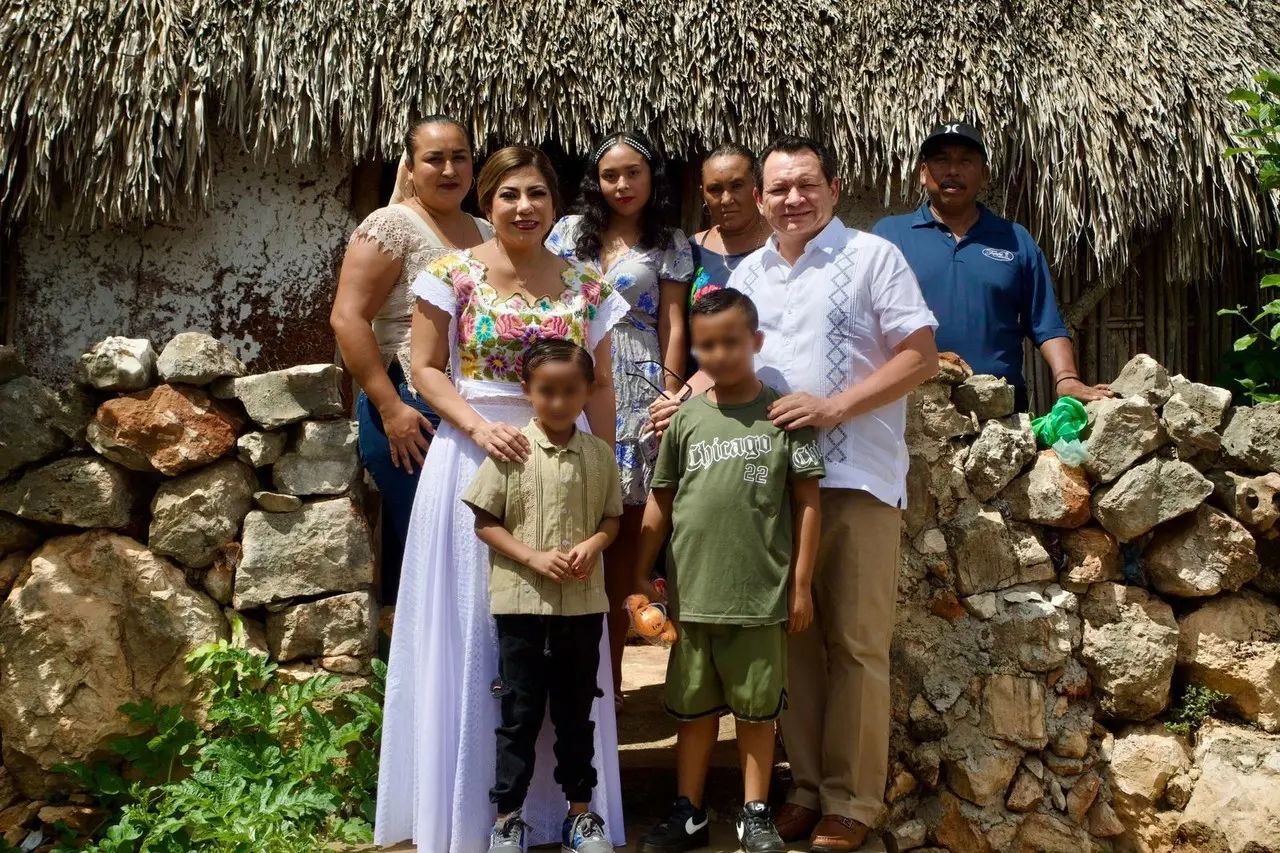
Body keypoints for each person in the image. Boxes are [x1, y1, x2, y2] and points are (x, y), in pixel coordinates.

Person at [650, 135, 939, 853]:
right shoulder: (748, 275)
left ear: (834, 188)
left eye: (805, 184)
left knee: (859, 646)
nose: (791, 199)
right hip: (774, 486)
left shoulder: (873, 257)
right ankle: (806, 788)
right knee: (796, 646)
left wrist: (836, 406)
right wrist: (681, 398)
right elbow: (728, 361)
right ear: (759, 198)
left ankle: (852, 798)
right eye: (777, 189)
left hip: (859, 478)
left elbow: (920, 354)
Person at [375, 145, 630, 851]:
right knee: (480, 637)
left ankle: (568, 810)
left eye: (537, 195)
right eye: (509, 194)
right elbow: (423, 368)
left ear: (556, 204)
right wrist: (480, 426)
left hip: (567, 466)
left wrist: (601, 473)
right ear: (486, 202)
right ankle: (478, 813)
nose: (524, 207)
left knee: (567, 635)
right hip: (471, 458)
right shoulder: (448, 275)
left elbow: (602, 387)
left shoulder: (588, 286)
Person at [633, 289, 823, 853]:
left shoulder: (784, 416)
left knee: (757, 712)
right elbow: (661, 499)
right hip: (691, 599)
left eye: (730, 342)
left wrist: (801, 585)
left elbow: (808, 503)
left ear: (756, 342)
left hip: (760, 598)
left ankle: (755, 813)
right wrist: (641, 573)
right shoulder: (686, 419)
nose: (717, 354)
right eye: (705, 344)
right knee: (692, 712)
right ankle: (687, 813)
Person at [546, 130, 694, 708]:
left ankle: (606, 699)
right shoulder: (565, 234)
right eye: (611, 175)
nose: (623, 185)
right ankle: (570, 690)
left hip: (638, 386)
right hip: (572, 378)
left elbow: (674, 324)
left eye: (634, 172)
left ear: (651, 178)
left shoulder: (669, 243)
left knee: (625, 545)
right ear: (595, 181)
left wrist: (672, 393)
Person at [462, 339, 623, 853]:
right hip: (521, 606)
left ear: (587, 391)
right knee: (521, 714)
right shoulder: (512, 449)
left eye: (570, 391)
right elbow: (485, 520)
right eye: (546, 391)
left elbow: (612, 518)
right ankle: (507, 818)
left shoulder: (598, 454)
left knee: (577, 711)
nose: (558, 402)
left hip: (581, 606)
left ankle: (580, 817)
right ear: (527, 392)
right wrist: (532, 557)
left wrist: (595, 544)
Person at [330, 115, 493, 604]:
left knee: (472, 550)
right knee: (429, 549)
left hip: (471, 412)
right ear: (411, 165)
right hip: (409, 411)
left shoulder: (485, 229)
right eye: (434, 159)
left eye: (459, 157)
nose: (448, 170)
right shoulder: (391, 226)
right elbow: (348, 319)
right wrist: (390, 408)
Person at [872, 121, 1112, 410]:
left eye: (965, 161)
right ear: (923, 173)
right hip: (913, 409)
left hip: (999, 412)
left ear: (984, 176)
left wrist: (1066, 378)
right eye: (941, 160)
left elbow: (1045, 323)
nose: (952, 170)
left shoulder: (1015, 239)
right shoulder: (888, 237)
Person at [688, 145, 770, 306]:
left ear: (757, 188)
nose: (726, 199)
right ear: (703, 195)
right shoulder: (692, 251)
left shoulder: (781, 245)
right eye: (715, 189)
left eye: (737, 186)